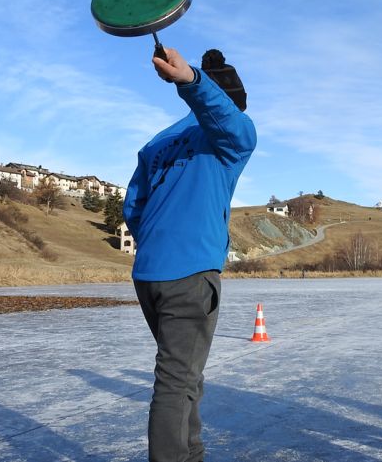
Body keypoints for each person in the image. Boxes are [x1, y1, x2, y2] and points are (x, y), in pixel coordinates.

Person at [122, 46, 256, 462]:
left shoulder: (158, 143)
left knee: (184, 374)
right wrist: (195, 82)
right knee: (176, 381)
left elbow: (132, 208)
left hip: (149, 274)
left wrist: (159, 245)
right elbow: (231, 121)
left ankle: (191, 454)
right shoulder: (232, 138)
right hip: (190, 273)